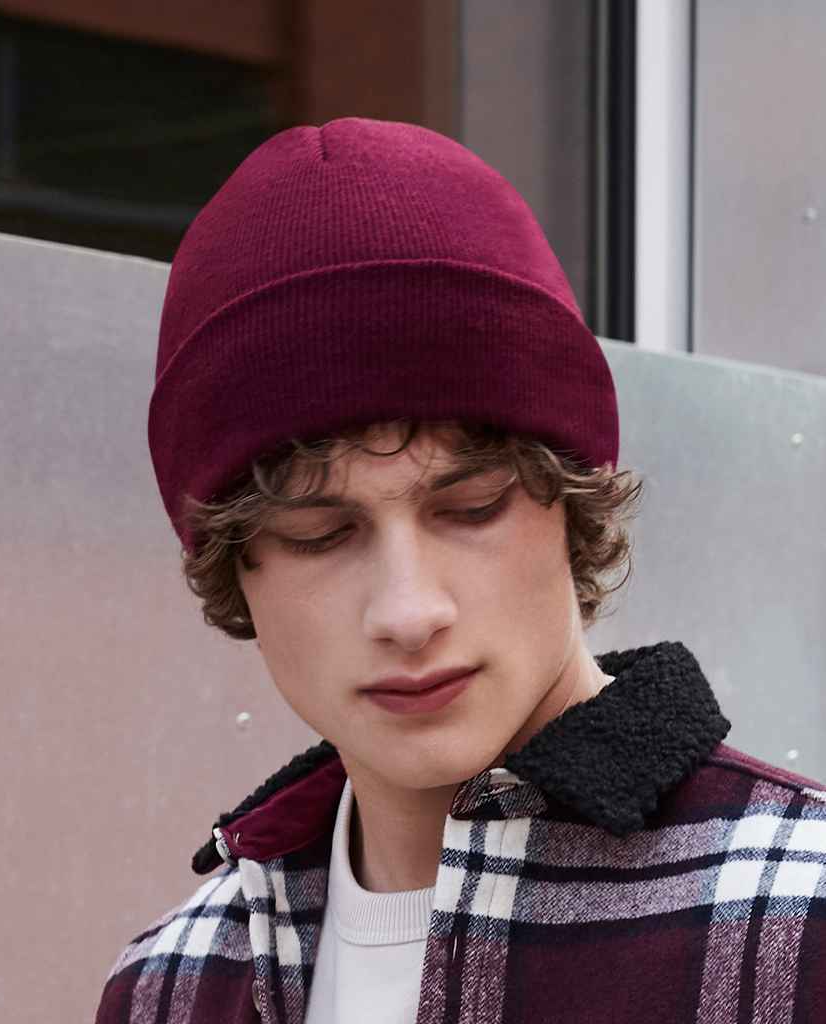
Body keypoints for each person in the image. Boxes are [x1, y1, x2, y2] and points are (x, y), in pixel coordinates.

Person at [94, 117, 826, 1024]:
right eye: (320, 534)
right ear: (232, 566)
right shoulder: (166, 987)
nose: (409, 611)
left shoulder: (801, 921)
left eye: (472, 507)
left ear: (574, 502)